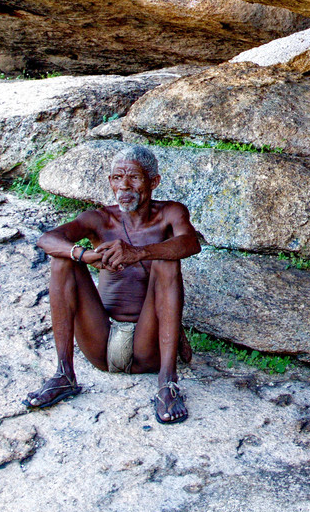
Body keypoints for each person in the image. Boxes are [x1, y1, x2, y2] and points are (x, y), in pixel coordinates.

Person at [22, 147, 199, 423]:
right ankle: (64, 375)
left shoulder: (170, 213)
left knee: (167, 259)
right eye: (117, 178)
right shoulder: (99, 219)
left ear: (154, 182)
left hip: (147, 344)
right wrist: (85, 255)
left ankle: (167, 383)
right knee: (63, 261)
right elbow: (47, 239)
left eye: (134, 178)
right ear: (109, 181)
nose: (124, 185)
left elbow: (190, 243)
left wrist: (140, 253)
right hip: (100, 342)